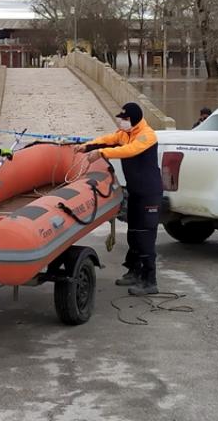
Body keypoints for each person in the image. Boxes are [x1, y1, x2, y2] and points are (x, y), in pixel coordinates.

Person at [80, 102, 161, 296]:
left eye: (125, 119)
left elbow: (129, 151)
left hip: (149, 193)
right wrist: (86, 147)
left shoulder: (146, 135)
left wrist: (101, 153)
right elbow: (108, 140)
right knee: (133, 233)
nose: (121, 122)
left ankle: (150, 280)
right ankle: (134, 271)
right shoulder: (125, 134)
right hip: (134, 192)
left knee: (145, 236)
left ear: (134, 119)